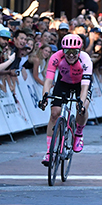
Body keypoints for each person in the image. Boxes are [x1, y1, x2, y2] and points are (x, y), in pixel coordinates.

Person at [38, 34, 93, 166]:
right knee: (54, 114)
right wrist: (45, 96)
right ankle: (49, 152)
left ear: (79, 51)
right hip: (63, 82)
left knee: (82, 108)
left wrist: (81, 102)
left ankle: (78, 133)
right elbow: (49, 80)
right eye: (68, 51)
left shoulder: (86, 59)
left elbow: (85, 86)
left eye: (74, 51)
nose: (71, 55)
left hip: (81, 84)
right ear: (63, 50)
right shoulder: (56, 57)